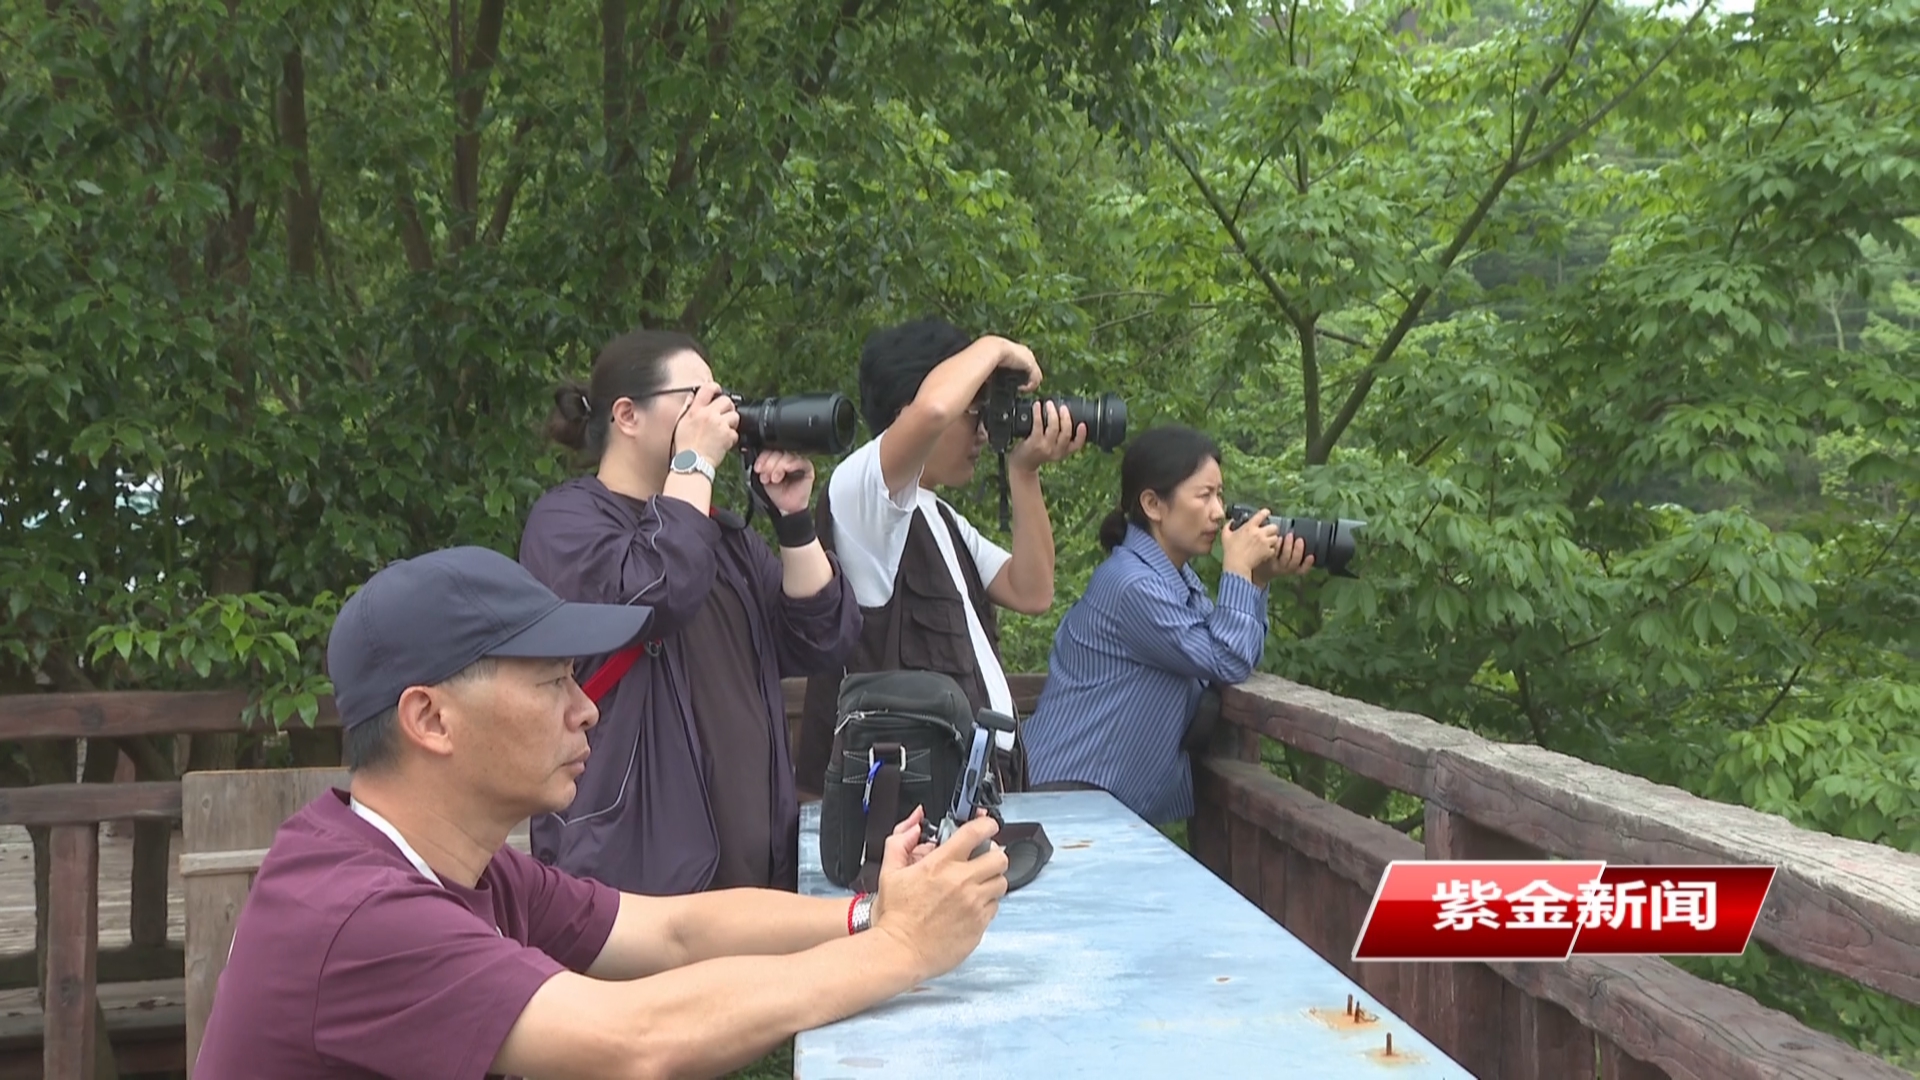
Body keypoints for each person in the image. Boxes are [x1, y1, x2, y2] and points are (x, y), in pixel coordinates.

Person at [193, 546, 1008, 1080]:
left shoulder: (452, 864)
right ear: (430, 719)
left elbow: (673, 932)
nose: (587, 710)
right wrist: (903, 950)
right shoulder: (358, 915)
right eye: (552, 683)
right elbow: (634, 1040)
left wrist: (871, 914)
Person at [516, 328, 863, 896]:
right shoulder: (567, 523)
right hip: (635, 874)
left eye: (720, 398)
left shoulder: (720, 534)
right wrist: (694, 463)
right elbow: (659, 591)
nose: (718, 415)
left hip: (754, 873)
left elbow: (824, 639)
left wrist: (794, 520)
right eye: (695, 400)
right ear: (627, 415)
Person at [793, 318, 1086, 799]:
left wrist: (1025, 471)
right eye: (976, 411)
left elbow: (1032, 590)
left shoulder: (943, 518)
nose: (982, 431)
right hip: (907, 803)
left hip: (981, 786)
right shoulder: (858, 495)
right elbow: (931, 409)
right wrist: (991, 346)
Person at [1020, 425, 1312, 826]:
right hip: (1063, 799)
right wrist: (1239, 571)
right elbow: (1227, 658)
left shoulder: (1174, 580)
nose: (1219, 512)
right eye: (1204, 495)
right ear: (1154, 505)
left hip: (1089, 802)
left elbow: (1228, 652)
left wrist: (1258, 579)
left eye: (1220, 494)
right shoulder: (1133, 586)